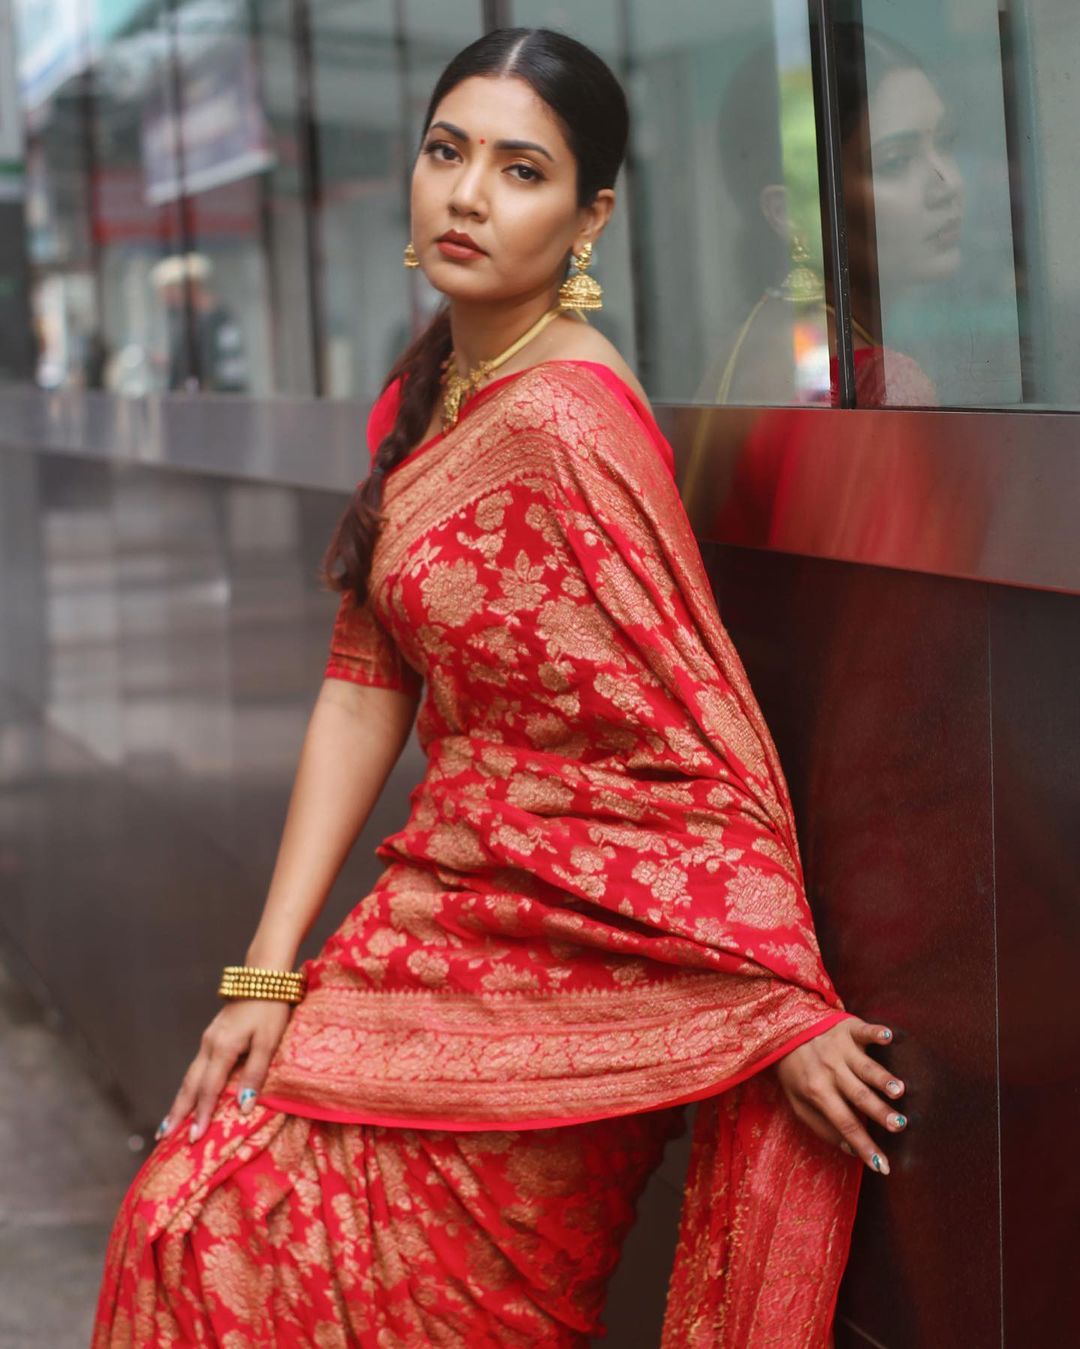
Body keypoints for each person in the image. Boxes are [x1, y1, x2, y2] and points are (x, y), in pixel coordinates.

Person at [92, 28, 908, 1347]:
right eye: (446, 151)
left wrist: (772, 994)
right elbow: (365, 684)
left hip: (574, 963)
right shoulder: (432, 398)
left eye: (520, 169)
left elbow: (689, 736)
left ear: (592, 217)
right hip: (431, 921)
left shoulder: (567, 427)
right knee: (196, 1216)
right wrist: (263, 977)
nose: (468, 194)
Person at [695, 22, 963, 410]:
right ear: (789, 213)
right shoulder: (870, 379)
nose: (948, 183)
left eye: (945, 143)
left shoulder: (755, 341)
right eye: (896, 162)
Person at [151, 251, 249, 393]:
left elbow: (222, 369)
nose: (166, 298)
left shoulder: (216, 317)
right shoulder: (184, 319)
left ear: (191, 287)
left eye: (171, 290)